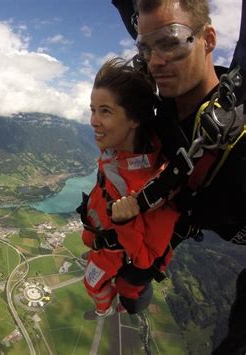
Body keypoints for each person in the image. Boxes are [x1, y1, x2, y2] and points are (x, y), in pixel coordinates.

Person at [110, 0, 246, 353]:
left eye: (170, 43)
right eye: (146, 49)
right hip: (182, 212)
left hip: (227, 213)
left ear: (209, 39)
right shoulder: (163, 103)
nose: (156, 61)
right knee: (131, 286)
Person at [78, 58, 180, 322]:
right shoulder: (118, 148)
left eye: (105, 111)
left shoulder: (155, 190)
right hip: (99, 238)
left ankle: (107, 309)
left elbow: (145, 259)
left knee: (97, 286)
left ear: (134, 119)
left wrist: (127, 220)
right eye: (93, 110)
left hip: (120, 258)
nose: (93, 121)